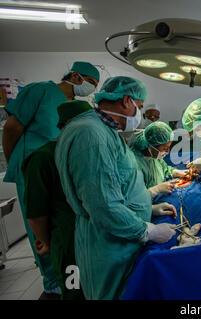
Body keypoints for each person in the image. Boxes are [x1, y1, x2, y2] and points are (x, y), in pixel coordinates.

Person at [55, 76, 178, 300]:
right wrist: (147, 230)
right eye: (140, 107)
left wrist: (147, 206)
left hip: (119, 238)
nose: (140, 115)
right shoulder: (92, 135)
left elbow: (117, 187)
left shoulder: (103, 130)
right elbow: (103, 205)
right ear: (126, 101)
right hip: (109, 245)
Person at [1, 61, 99, 297]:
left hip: (60, 170)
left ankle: (71, 276)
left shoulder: (75, 105)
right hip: (36, 167)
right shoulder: (40, 90)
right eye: (91, 83)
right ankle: (52, 282)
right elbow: (12, 129)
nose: (91, 89)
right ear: (75, 76)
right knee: (40, 224)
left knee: (62, 225)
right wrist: (19, 164)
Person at [22, 100, 93, 300]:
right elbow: (36, 214)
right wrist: (49, 241)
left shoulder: (86, 151)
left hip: (93, 237)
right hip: (68, 244)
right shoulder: (41, 159)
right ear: (70, 123)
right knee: (75, 292)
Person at [129, 121, 188, 195]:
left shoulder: (154, 157)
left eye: (169, 147)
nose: (167, 151)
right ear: (151, 145)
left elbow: (165, 169)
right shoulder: (134, 165)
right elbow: (134, 197)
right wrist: (155, 190)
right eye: (165, 148)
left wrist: (180, 173)